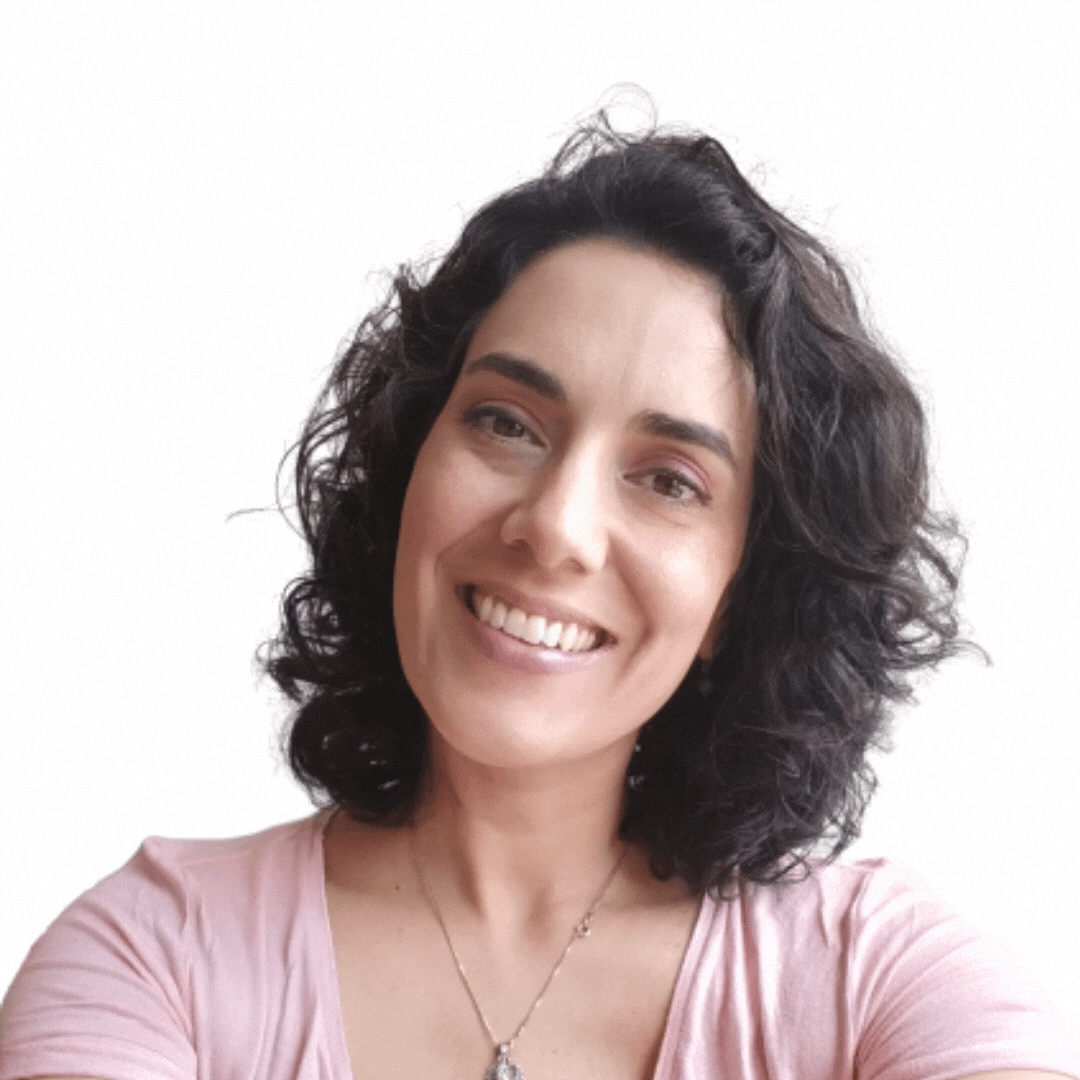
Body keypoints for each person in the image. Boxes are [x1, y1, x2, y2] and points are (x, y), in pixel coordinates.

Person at [1, 115, 1077, 1080]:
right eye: (506, 423)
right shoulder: (154, 956)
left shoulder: (878, 976)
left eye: (669, 480)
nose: (556, 525)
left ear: (741, 595)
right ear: (408, 466)